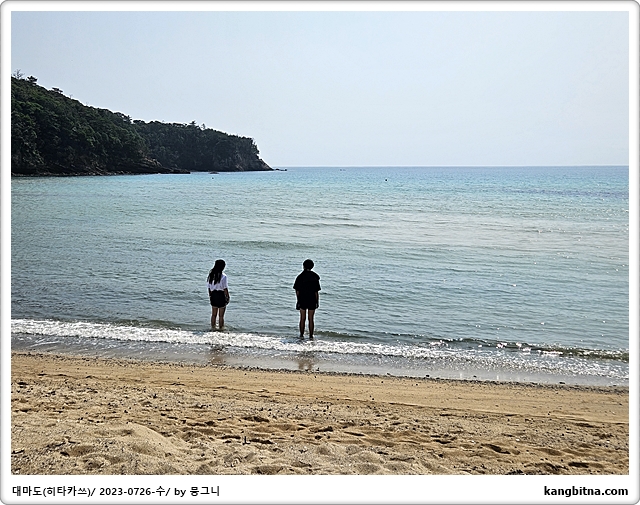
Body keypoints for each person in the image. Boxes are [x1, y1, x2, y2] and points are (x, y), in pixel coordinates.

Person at [293, 259, 321, 339]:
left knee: (302, 318)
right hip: (312, 299)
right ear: (312, 266)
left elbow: (297, 291)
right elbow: (316, 292)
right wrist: (317, 302)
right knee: (311, 319)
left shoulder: (300, 277)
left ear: (303, 266)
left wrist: (298, 300)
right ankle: (311, 336)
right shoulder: (315, 277)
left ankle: (301, 335)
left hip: (302, 299)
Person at [207, 259, 229, 329]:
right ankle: (221, 328)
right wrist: (228, 297)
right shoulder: (223, 276)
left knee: (213, 314)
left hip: (213, 294)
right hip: (221, 295)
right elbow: (225, 288)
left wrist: (210, 296)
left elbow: (209, 287)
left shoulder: (211, 275)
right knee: (221, 316)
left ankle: (213, 328)